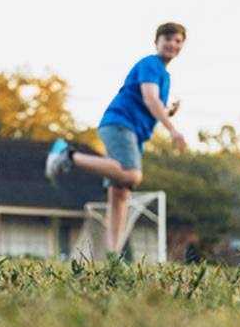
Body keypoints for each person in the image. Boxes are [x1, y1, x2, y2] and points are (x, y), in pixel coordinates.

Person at [46, 22, 187, 255]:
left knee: (121, 193)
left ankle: (112, 254)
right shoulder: (150, 64)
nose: (172, 44)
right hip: (121, 124)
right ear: (157, 42)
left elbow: (153, 105)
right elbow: (150, 99)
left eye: (178, 41)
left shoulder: (164, 75)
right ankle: (67, 155)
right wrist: (172, 129)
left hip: (135, 133)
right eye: (168, 39)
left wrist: (169, 111)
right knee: (131, 174)